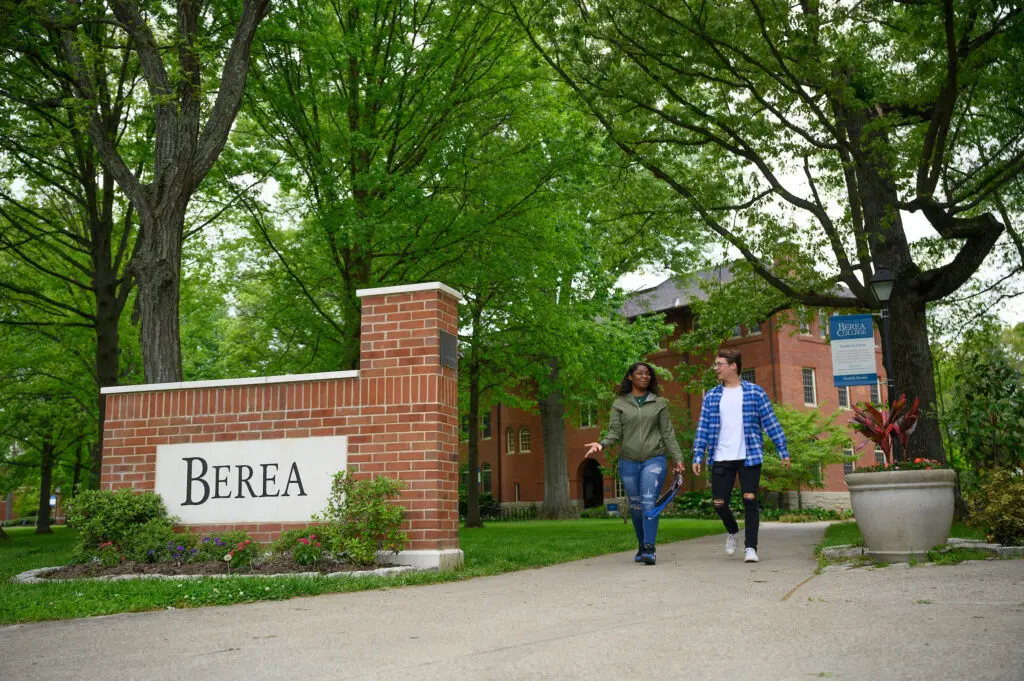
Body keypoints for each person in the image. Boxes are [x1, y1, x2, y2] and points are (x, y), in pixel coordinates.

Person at [692, 349, 790, 563]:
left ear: (733, 366)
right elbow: (703, 427)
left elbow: (770, 422)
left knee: (750, 499)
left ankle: (750, 548)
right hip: (721, 455)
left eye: (719, 364)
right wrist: (698, 454)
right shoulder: (712, 396)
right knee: (719, 503)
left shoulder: (755, 393)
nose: (715, 368)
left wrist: (783, 450)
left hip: (749, 455)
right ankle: (733, 529)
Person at [585, 362, 686, 566]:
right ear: (630, 377)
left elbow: (667, 433)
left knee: (649, 501)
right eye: (640, 373)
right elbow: (614, 433)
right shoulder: (620, 404)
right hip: (628, 462)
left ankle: (649, 547)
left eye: (648, 374)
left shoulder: (659, 403)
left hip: (654, 459)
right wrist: (601, 445)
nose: (645, 376)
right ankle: (642, 546)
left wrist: (678, 459)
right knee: (637, 506)